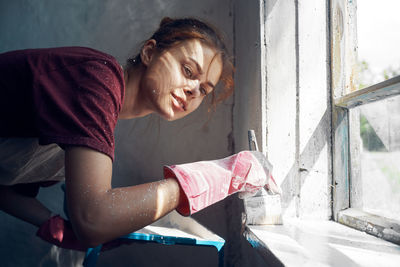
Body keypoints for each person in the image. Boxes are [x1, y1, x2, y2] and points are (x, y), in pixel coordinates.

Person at [0, 17, 271, 251]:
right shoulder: (97, 79)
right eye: (188, 71)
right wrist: (208, 179)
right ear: (149, 52)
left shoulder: (94, 124)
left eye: (204, 90)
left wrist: (51, 224)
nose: (192, 91)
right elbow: (93, 219)